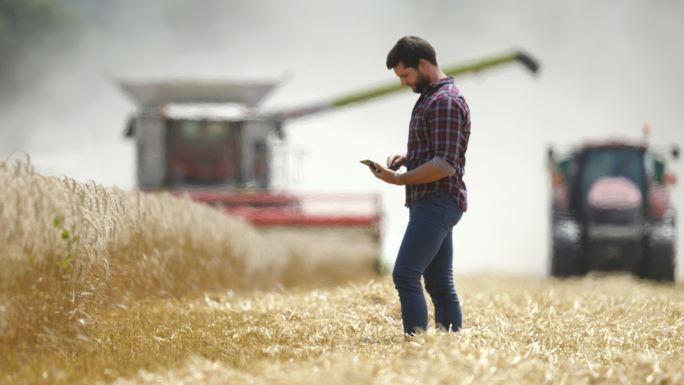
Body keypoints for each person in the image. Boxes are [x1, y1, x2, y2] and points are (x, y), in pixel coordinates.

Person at [367, 36, 471, 335]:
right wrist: (409, 158)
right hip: (432, 201)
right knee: (438, 283)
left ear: (423, 64)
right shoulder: (432, 97)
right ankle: (448, 344)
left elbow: (444, 165)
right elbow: (438, 152)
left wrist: (398, 179)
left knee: (405, 274)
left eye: (406, 75)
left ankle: (417, 343)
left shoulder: (445, 102)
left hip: (438, 200)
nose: (404, 82)